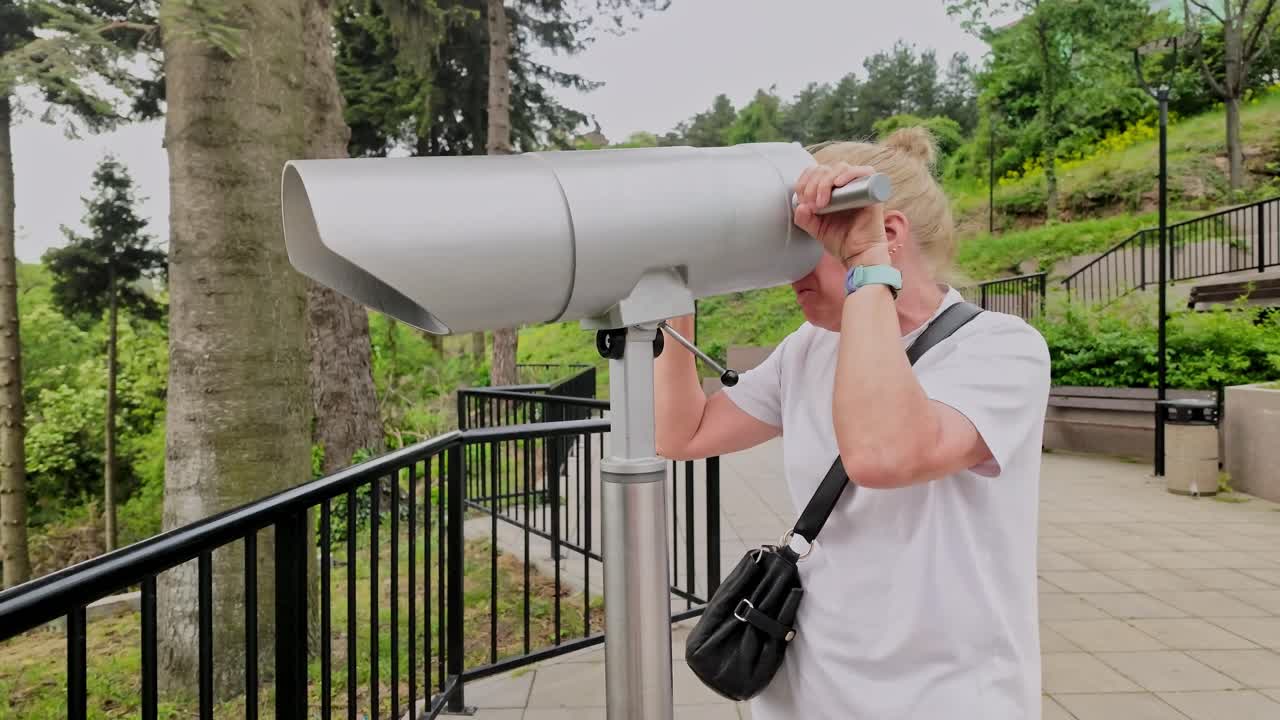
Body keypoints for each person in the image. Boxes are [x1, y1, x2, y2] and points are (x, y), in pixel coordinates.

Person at [655, 128, 1051, 720]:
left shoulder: (999, 349)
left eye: (806, 242)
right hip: (807, 691)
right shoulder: (809, 347)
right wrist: (672, 291)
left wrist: (868, 270)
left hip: (945, 695)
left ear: (887, 235)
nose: (785, 272)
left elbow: (884, 455)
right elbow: (683, 435)